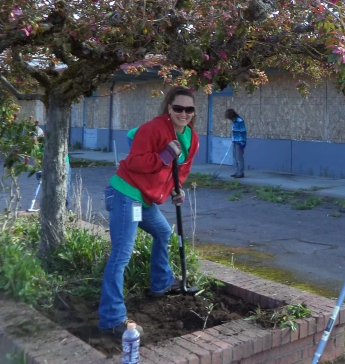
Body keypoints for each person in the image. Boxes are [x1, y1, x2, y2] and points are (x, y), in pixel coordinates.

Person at [98, 86, 200, 337]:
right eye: (178, 108)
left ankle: (161, 282)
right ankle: (111, 318)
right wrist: (163, 156)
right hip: (127, 195)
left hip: (144, 199)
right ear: (169, 108)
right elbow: (134, 161)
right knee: (121, 255)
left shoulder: (191, 137)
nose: (183, 113)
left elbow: (181, 171)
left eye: (189, 109)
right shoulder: (153, 129)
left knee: (164, 233)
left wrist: (177, 190)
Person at [224, 109, 247, 178]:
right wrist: (233, 139)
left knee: (239, 158)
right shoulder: (233, 121)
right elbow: (234, 132)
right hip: (234, 141)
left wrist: (242, 142)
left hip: (240, 142)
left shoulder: (240, 121)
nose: (229, 119)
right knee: (235, 157)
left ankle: (241, 173)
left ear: (232, 115)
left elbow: (243, 131)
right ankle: (237, 172)